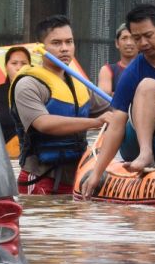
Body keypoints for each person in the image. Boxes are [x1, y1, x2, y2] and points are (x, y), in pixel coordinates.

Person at [81, 4, 155, 195]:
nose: (143, 43)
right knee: (147, 85)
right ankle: (146, 154)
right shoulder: (133, 72)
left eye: (148, 35)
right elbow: (116, 123)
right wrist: (97, 173)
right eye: (136, 38)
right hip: (140, 140)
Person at [9, 15, 110, 194]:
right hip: (40, 178)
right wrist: (96, 122)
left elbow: (115, 108)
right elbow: (44, 124)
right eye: (56, 43)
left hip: (76, 178)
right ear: (41, 48)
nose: (65, 49)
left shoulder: (79, 83)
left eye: (69, 42)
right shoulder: (28, 84)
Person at [0, 45, 33, 142]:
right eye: (14, 63)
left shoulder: (38, 93)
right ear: (6, 67)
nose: (19, 68)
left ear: (30, 67)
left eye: (23, 63)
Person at [97, 23, 137, 95]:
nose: (129, 43)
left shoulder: (148, 69)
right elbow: (103, 99)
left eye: (133, 38)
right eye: (124, 38)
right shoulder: (107, 70)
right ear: (117, 43)